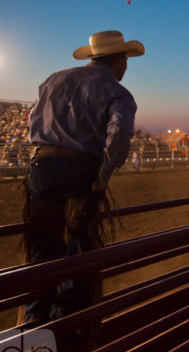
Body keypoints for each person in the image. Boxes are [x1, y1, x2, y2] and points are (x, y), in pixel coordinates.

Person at [24, 30, 141, 324]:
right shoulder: (117, 92)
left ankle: (35, 317)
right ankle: (67, 321)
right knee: (79, 246)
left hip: (41, 166)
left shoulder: (53, 79)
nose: (126, 66)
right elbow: (120, 133)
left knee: (42, 245)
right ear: (118, 59)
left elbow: (33, 121)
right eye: (125, 60)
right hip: (79, 169)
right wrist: (105, 173)